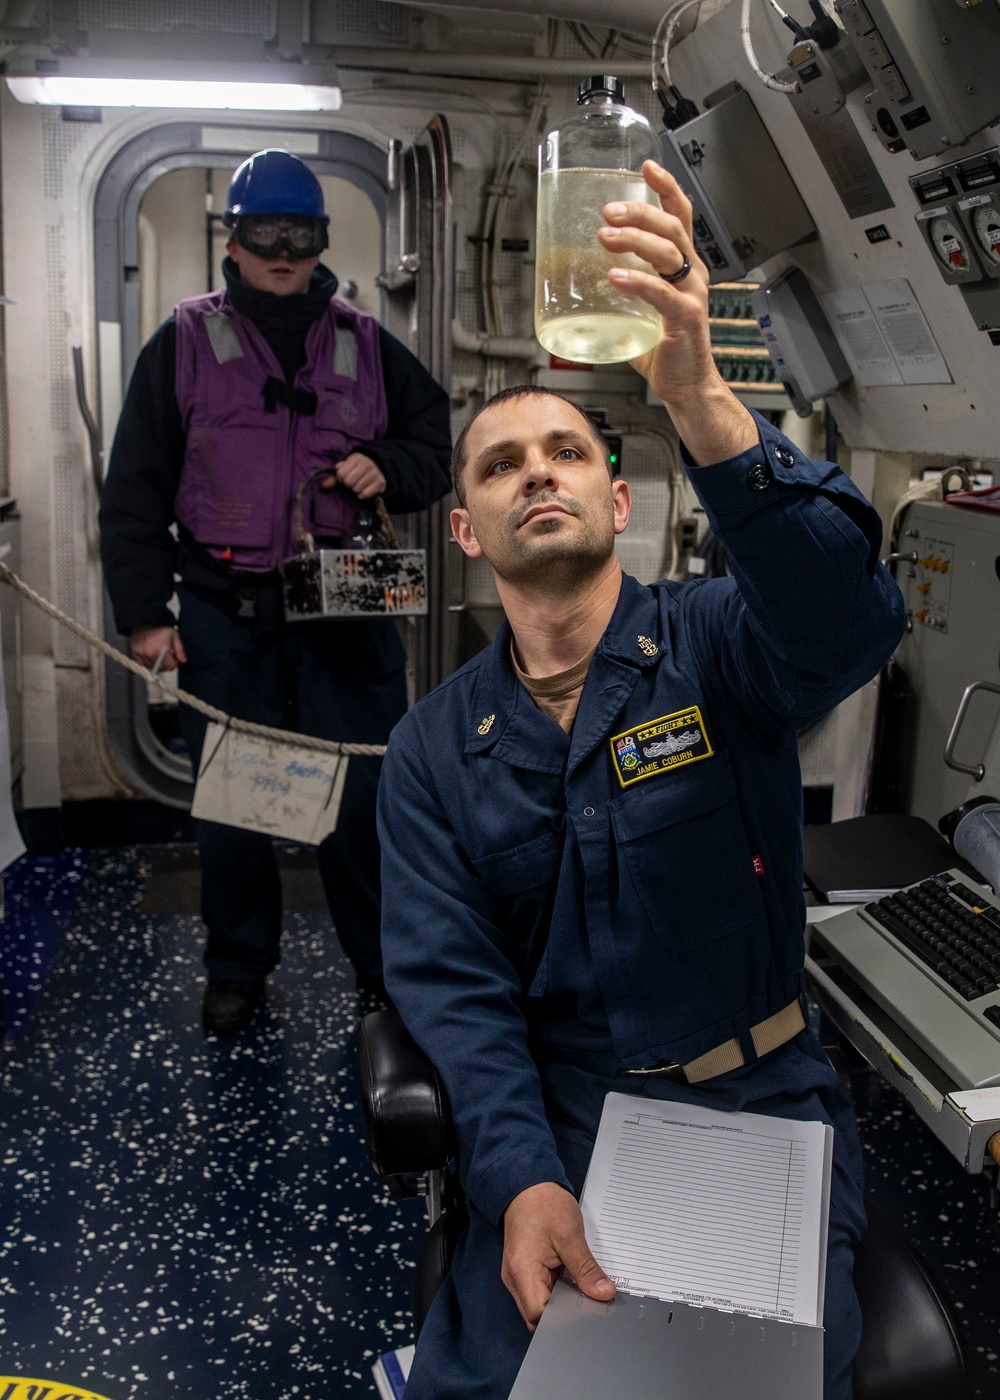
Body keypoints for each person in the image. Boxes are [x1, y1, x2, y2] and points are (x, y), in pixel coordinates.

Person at [376, 160, 906, 1400]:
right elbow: (457, 994)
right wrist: (520, 1177)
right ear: (466, 530)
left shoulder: (723, 641)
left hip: (759, 1098)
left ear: (618, 497)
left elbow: (850, 621)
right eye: (501, 466)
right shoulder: (430, 751)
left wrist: (700, 392)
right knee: (506, 1382)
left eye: (566, 449)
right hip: (570, 1116)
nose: (537, 472)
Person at [100, 149, 451, 1034]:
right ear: (234, 238)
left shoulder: (366, 344)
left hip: (344, 610)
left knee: (364, 802)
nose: (282, 250)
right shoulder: (185, 340)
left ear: (324, 241)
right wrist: (146, 614)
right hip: (227, 608)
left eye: (300, 233)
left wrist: (391, 464)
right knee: (235, 803)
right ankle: (239, 968)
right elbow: (135, 486)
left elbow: (435, 449)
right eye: (265, 231)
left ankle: (382, 969)